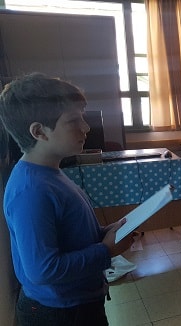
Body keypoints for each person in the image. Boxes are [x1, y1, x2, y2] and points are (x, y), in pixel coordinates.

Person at [0, 74, 134, 326]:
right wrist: (106, 250)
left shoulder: (50, 171)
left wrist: (105, 231)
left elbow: (68, 235)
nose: (86, 127)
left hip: (76, 303)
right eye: (74, 120)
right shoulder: (31, 190)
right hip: (60, 314)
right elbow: (43, 270)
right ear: (39, 131)